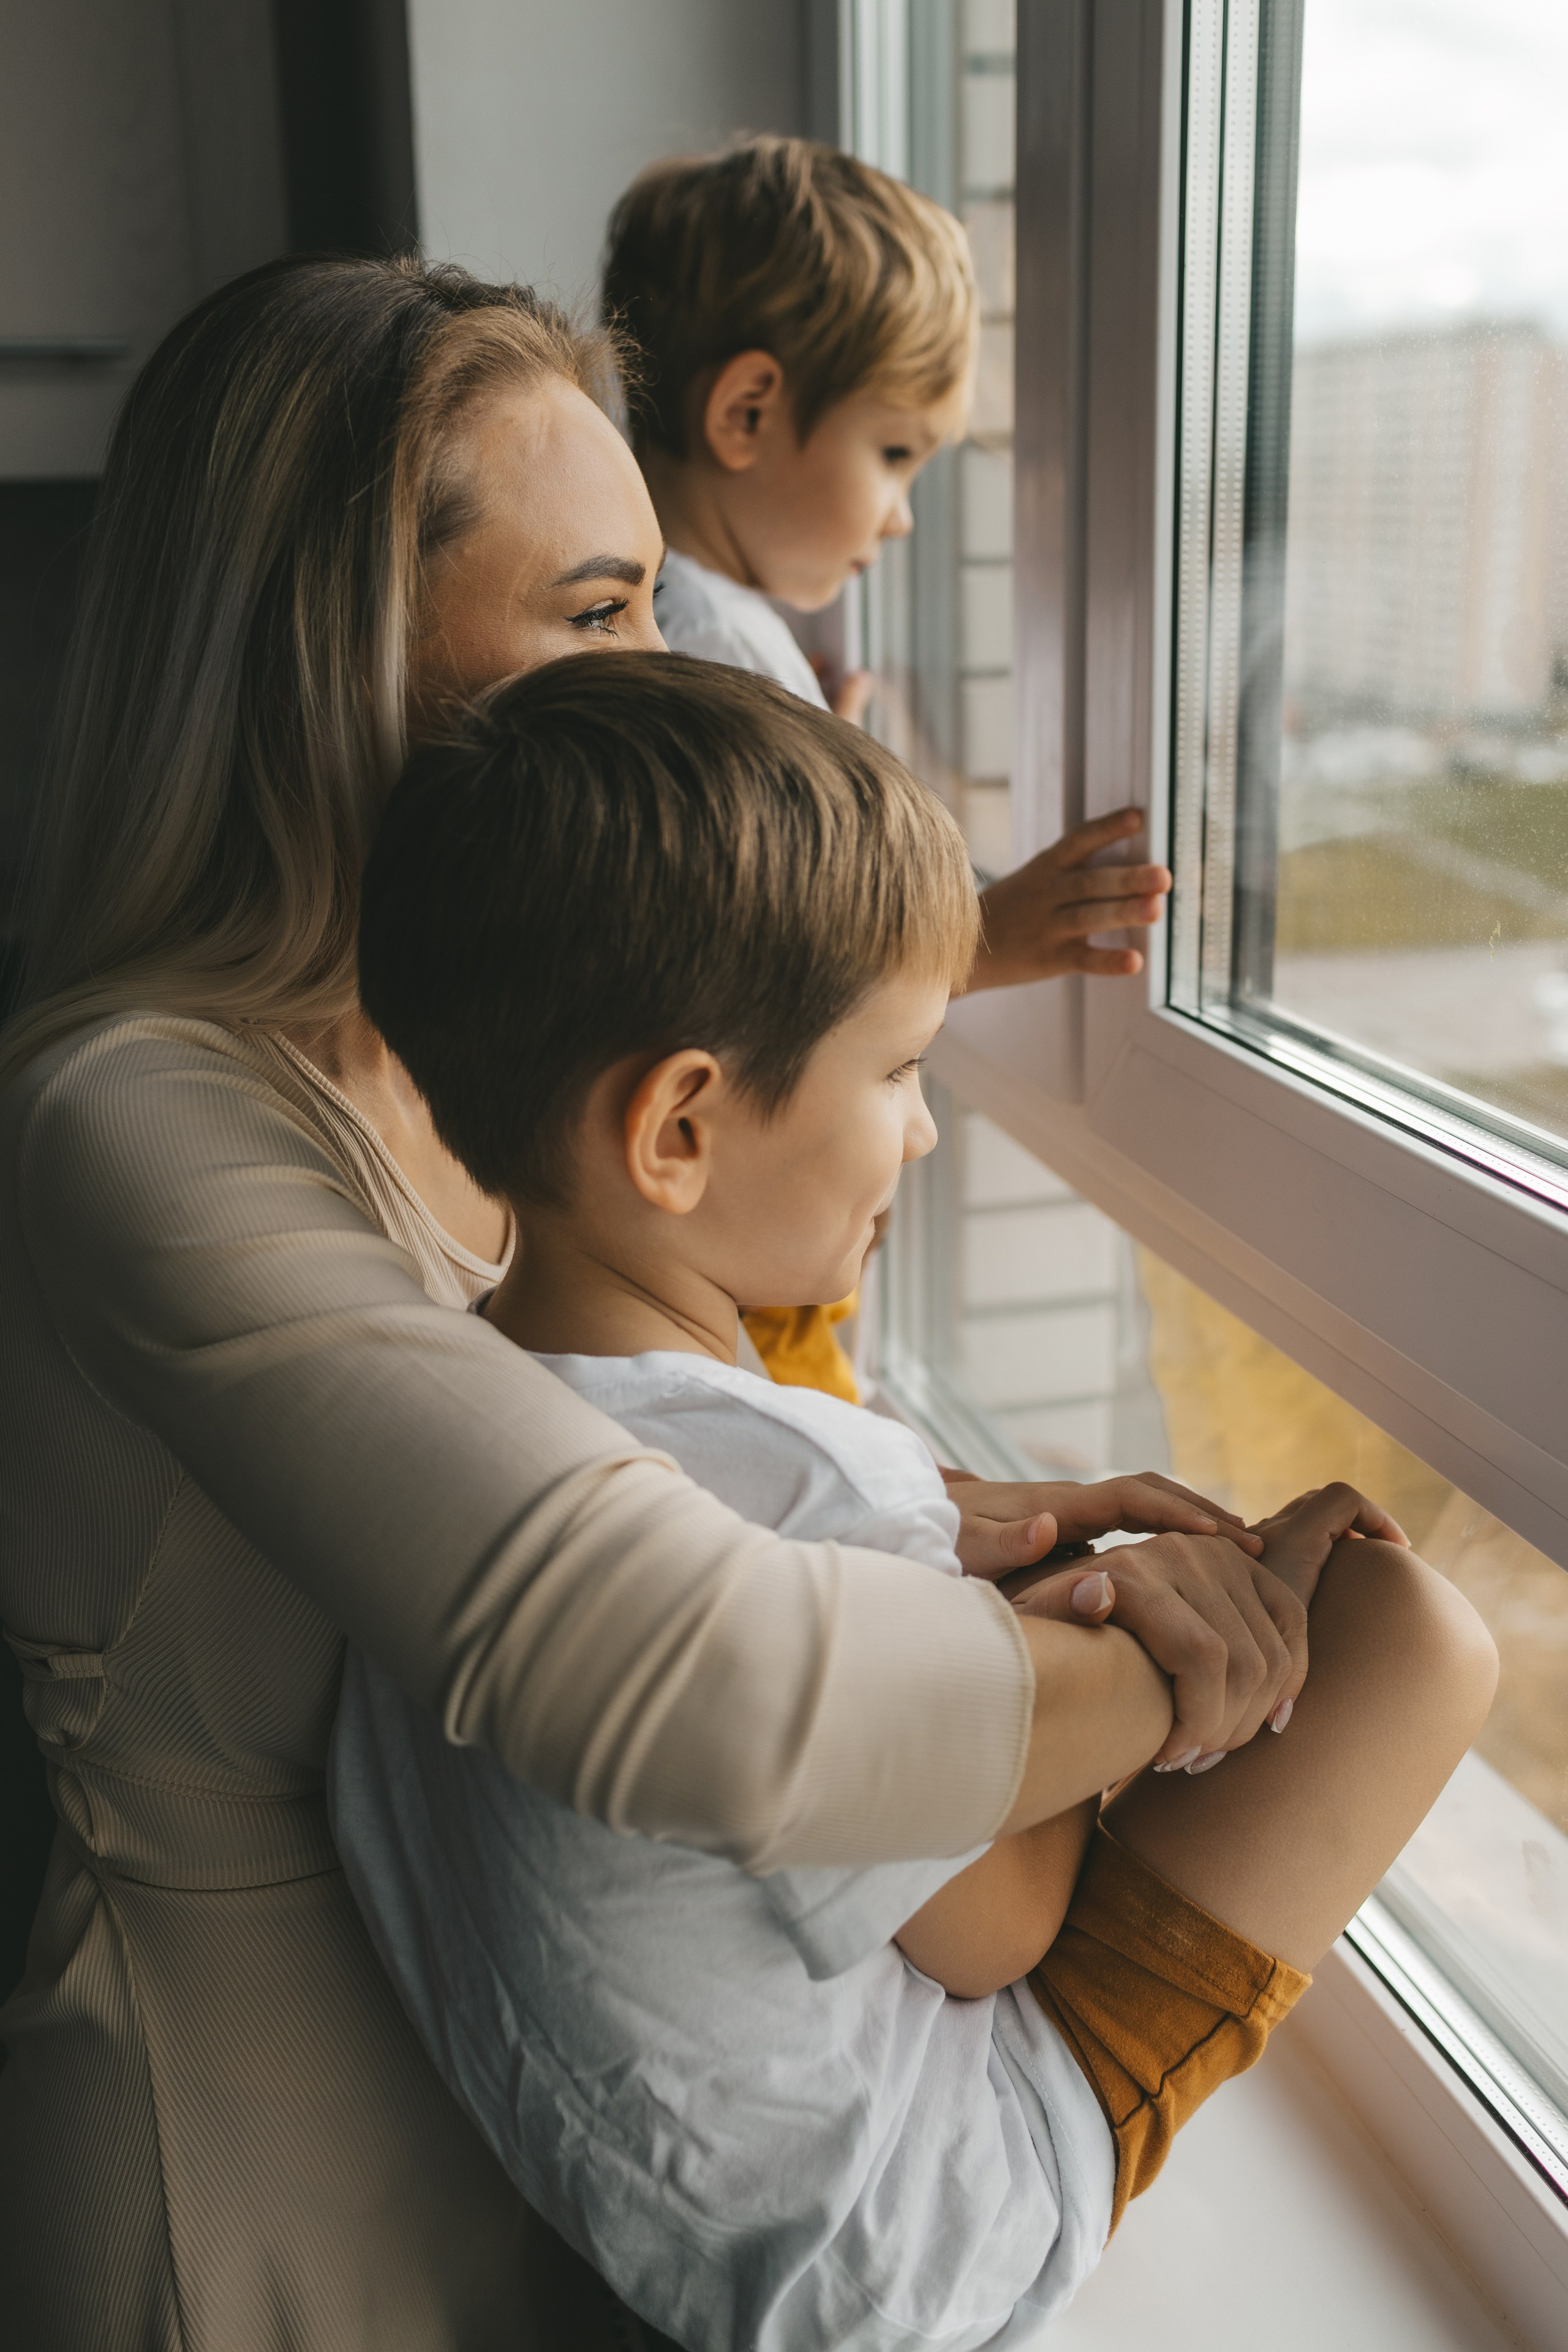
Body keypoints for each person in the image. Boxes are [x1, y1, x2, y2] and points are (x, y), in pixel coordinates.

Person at [0, 254, 1306, 2352]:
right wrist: (1205, 1671)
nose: (675, 655)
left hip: (518, 2129)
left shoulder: (458, 1065)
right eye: (603, 610)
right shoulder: (139, 1115)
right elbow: (692, 1680)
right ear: (335, 651)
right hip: (244, 2189)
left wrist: (933, 1512)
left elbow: (570, 1459)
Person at [331, 652, 1499, 2352]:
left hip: (630, 2196)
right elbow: (998, 1934)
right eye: (898, 1074)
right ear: (677, 1131)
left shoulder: (444, 1405)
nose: (929, 1133)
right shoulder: (815, 1476)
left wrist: (990, 1564)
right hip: (904, 2251)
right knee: (1414, 1637)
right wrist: (1102, 1628)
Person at [603, 135, 1174, 1398]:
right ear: (745, 412)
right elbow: (767, 974)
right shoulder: (698, 651)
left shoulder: (694, 622)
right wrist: (977, 930)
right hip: (741, 1290)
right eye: (894, 454)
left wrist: (822, 754)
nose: (903, 514)